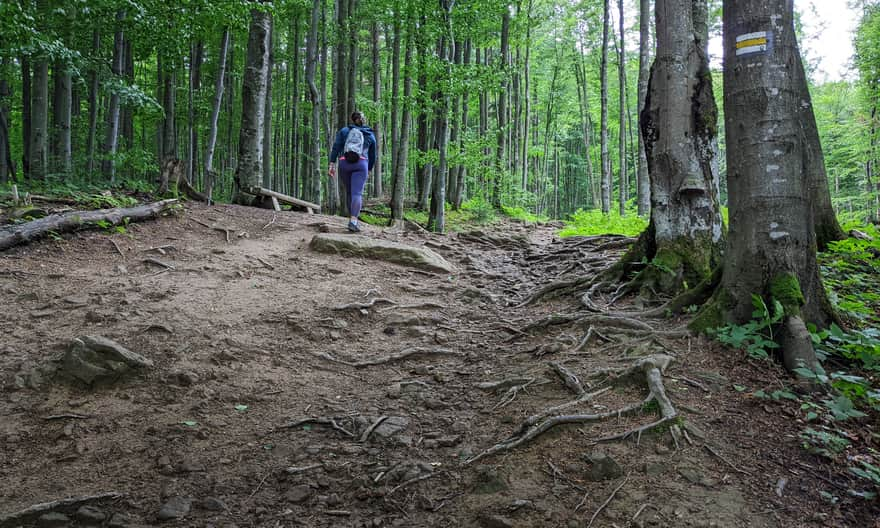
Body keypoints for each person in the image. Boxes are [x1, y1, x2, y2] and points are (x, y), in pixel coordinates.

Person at [329, 111, 377, 232]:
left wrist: (332, 163)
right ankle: (353, 221)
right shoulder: (369, 134)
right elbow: (373, 155)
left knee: (350, 192)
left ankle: (352, 220)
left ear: (352, 119)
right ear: (363, 120)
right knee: (357, 193)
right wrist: (369, 168)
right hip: (361, 164)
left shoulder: (345, 131)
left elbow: (336, 147)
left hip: (344, 163)